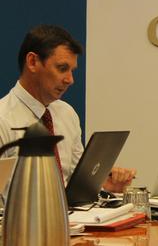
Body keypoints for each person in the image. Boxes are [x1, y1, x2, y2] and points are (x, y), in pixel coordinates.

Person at [0, 25, 135, 193]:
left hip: (71, 217)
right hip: (22, 217)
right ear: (32, 62)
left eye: (72, 71)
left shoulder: (67, 113)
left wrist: (105, 187)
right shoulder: (3, 118)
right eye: (62, 68)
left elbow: (78, 183)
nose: (70, 80)